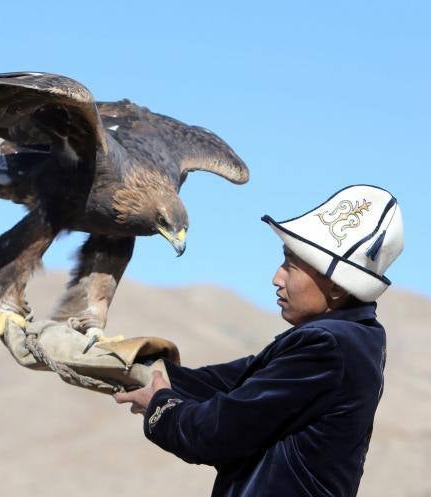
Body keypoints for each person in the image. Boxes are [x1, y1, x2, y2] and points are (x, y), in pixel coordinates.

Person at [113, 184, 404, 497]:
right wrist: (141, 368)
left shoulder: (328, 347)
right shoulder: (353, 339)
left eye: (291, 265)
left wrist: (160, 405)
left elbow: (216, 433)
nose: (277, 278)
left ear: (337, 286)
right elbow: (235, 383)